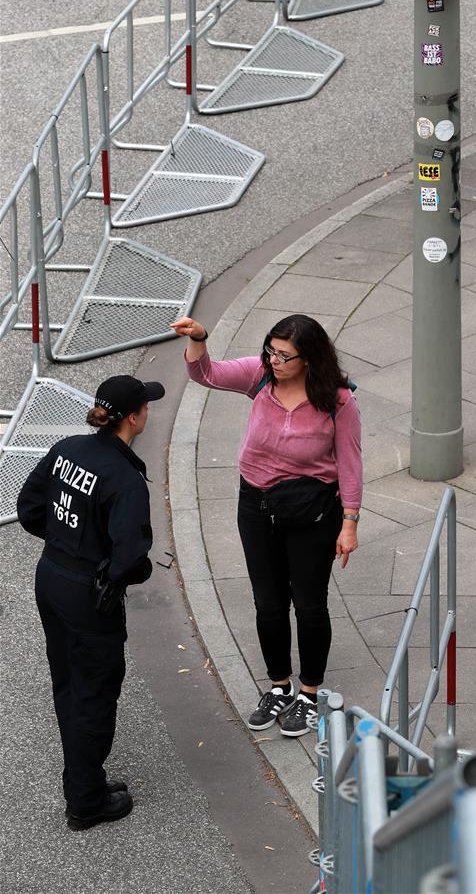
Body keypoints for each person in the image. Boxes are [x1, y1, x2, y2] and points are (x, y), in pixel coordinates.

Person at [171, 313, 362, 737]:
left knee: (309, 603)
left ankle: (309, 694)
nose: (274, 360)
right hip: (256, 504)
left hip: (312, 511)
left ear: (309, 359)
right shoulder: (259, 376)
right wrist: (200, 339)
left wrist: (349, 522)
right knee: (268, 602)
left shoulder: (338, 400)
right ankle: (279, 686)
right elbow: (207, 374)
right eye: (271, 351)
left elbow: (350, 462)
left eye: (285, 355)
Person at [16, 374, 165, 830]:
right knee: (95, 692)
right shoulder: (125, 478)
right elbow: (129, 560)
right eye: (146, 406)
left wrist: (69, 542)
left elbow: (29, 509)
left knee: (68, 682)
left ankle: (87, 780)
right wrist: (115, 566)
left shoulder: (67, 450)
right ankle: (86, 801)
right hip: (87, 596)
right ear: (135, 417)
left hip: (52, 578)